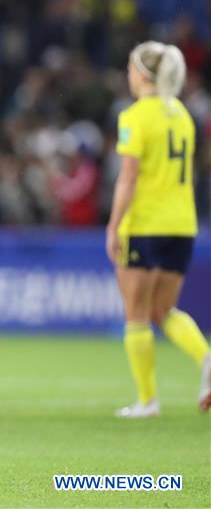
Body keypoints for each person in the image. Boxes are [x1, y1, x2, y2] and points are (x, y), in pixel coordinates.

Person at [106, 41, 211, 418]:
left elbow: (128, 178)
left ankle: (147, 400)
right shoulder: (181, 113)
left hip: (146, 222)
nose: (128, 75)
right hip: (182, 222)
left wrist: (114, 224)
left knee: (136, 312)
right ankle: (206, 358)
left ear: (141, 74)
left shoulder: (135, 115)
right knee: (164, 309)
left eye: (131, 69)